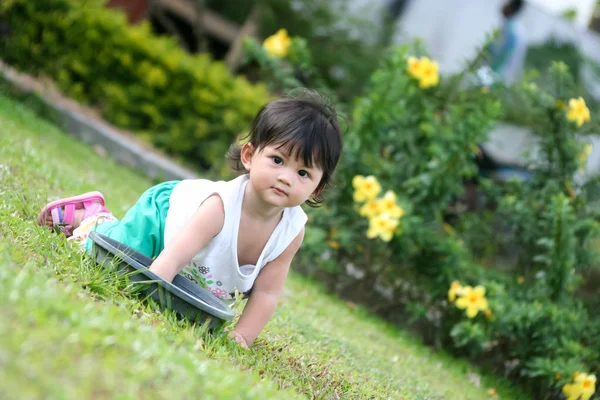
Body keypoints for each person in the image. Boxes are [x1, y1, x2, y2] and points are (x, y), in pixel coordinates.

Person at [37, 90, 343, 349]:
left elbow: (267, 291)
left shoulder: (291, 232)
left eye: (303, 173)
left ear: (316, 187)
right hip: (165, 214)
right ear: (249, 155)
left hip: (194, 258)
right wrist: (143, 301)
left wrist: (241, 338)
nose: (285, 178)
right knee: (112, 259)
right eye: (277, 160)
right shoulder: (220, 207)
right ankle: (90, 218)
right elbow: (173, 257)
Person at [488, 0, 527, 84]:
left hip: (497, 79)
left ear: (511, 6)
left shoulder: (511, 31)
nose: (503, 4)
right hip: (504, 80)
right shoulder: (517, 29)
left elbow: (501, 57)